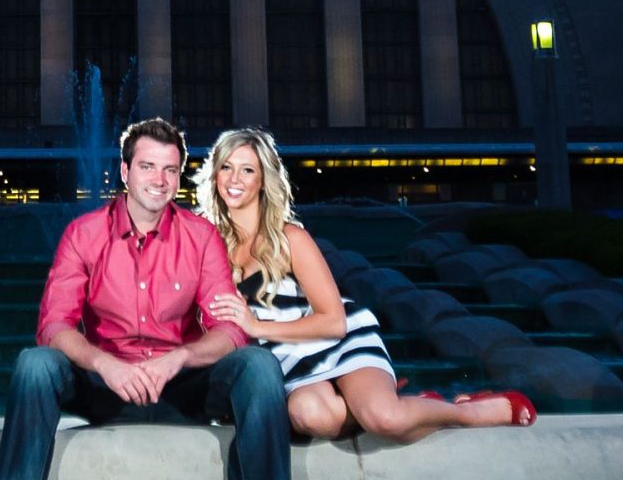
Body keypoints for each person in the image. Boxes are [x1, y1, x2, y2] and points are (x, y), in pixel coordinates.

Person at [0, 118, 313, 480]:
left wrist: (179, 359)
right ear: (125, 171)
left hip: (180, 384)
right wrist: (104, 364)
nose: (160, 180)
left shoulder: (200, 237)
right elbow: (54, 326)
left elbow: (231, 331)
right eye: (149, 167)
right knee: (34, 364)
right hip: (105, 385)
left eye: (171, 170)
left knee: (258, 365)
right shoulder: (83, 234)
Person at [196, 127, 535, 443]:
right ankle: (405, 406)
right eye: (227, 167)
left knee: (384, 420)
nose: (235, 179)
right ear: (215, 176)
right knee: (311, 417)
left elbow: (333, 320)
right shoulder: (206, 246)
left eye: (247, 170)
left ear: (263, 181)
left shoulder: (289, 238)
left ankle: (467, 411)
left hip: (338, 343)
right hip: (286, 364)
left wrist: (256, 324)